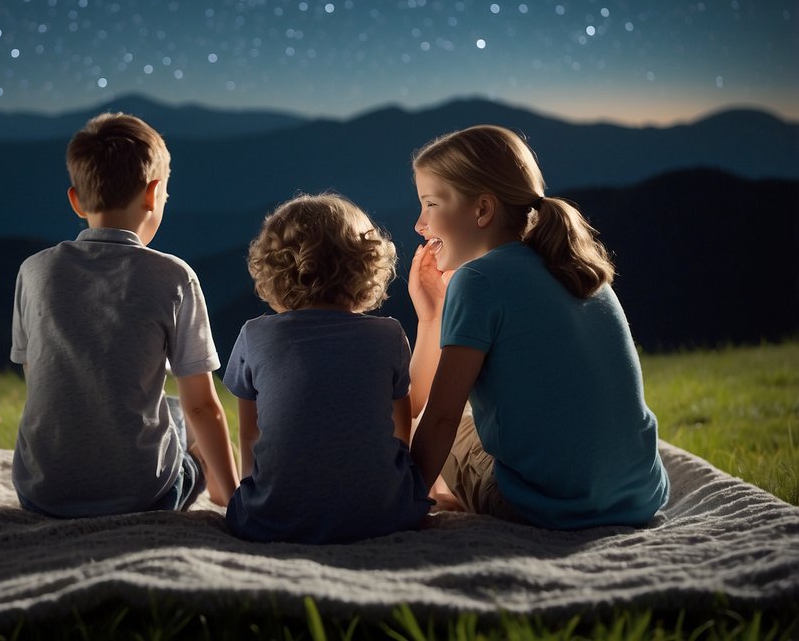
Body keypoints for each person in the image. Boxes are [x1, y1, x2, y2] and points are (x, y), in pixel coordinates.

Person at [407, 125, 669, 528]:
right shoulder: (578, 268)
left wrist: (400, 508)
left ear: (482, 210)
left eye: (430, 204)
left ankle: (428, 497)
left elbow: (433, 413)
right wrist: (434, 313)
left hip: (550, 506)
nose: (419, 224)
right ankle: (444, 492)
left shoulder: (477, 280)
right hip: (639, 495)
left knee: (428, 427)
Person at [10, 112, 240, 517]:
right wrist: (237, 500)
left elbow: (37, 378)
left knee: (166, 408)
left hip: (41, 494)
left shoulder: (34, 271)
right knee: (184, 421)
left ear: (76, 200)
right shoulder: (174, 277)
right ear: (153, 193)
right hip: (144, 498)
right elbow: (202, 406)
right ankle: (224, 492)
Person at [222, 193, 432, 543]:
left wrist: (259, 497)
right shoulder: (389, 335)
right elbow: (400, 430)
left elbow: (250, 434)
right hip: (382, 517)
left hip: (271, 521)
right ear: (367, 266)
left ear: (272, 267)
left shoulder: (254, 335)